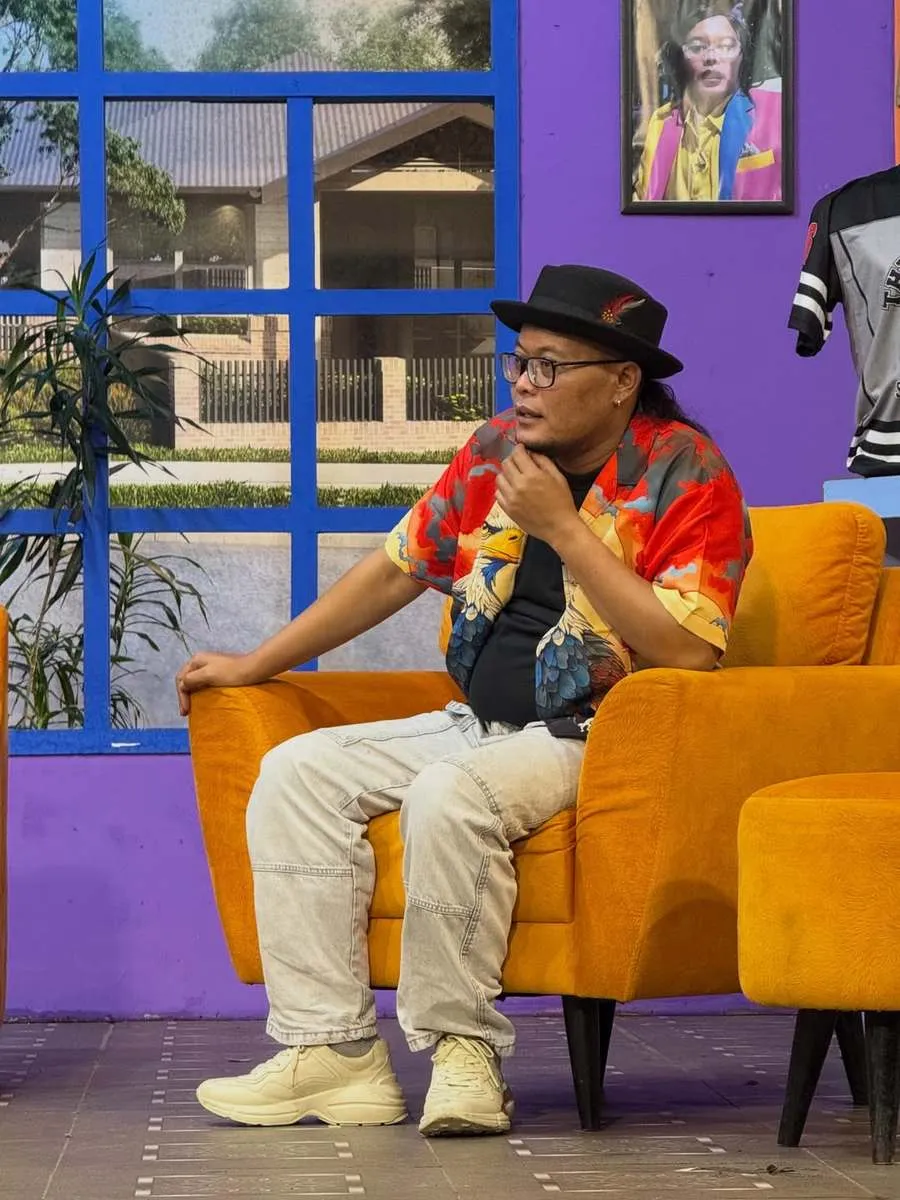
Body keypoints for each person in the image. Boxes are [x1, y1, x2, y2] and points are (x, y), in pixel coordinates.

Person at [176, 264, 752, 1138]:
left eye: (551, 366)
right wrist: (258, 662)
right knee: (294, 773)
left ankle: (462, 1053)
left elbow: (688, 648)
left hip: (601, 736)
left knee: (451, 795)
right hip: (481, 724)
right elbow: (395, 569)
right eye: (519, 361)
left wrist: (563, 528)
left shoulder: (687, 473)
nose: (524, 383)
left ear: (623, 382)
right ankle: (333, 1052)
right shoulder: (495, 453)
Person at [634, 1, 782, 203]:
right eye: (697, 47)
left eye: (726, 46)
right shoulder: (661, 122)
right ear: (681, 60)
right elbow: (640, 200)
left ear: (742, 57)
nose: (711, 57)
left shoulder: (772, 112)